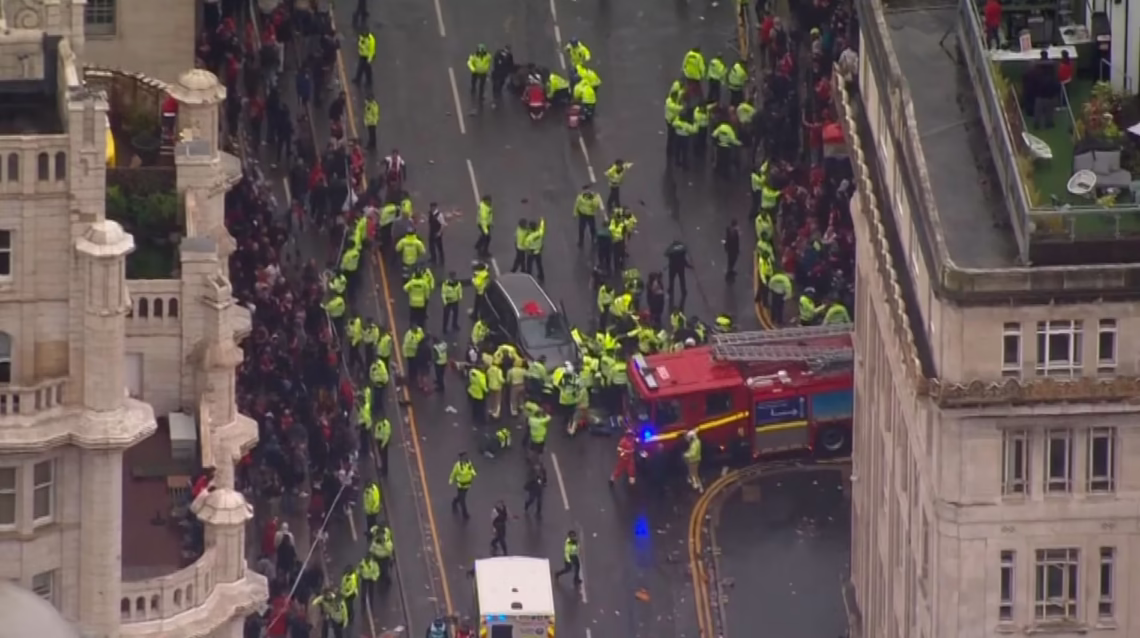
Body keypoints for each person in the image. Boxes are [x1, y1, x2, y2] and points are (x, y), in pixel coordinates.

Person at [449, 451, 477, 519]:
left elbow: (471, 469)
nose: (465, 458)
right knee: (462, 500)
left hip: (467, 485)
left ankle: (454, 501)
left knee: (460, 497)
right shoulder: (458, 466)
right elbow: (454, 473)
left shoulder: (469, 463)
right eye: (464, 457)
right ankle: (465, 514)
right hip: (461, 485)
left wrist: (473, 473)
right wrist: (451, 479)